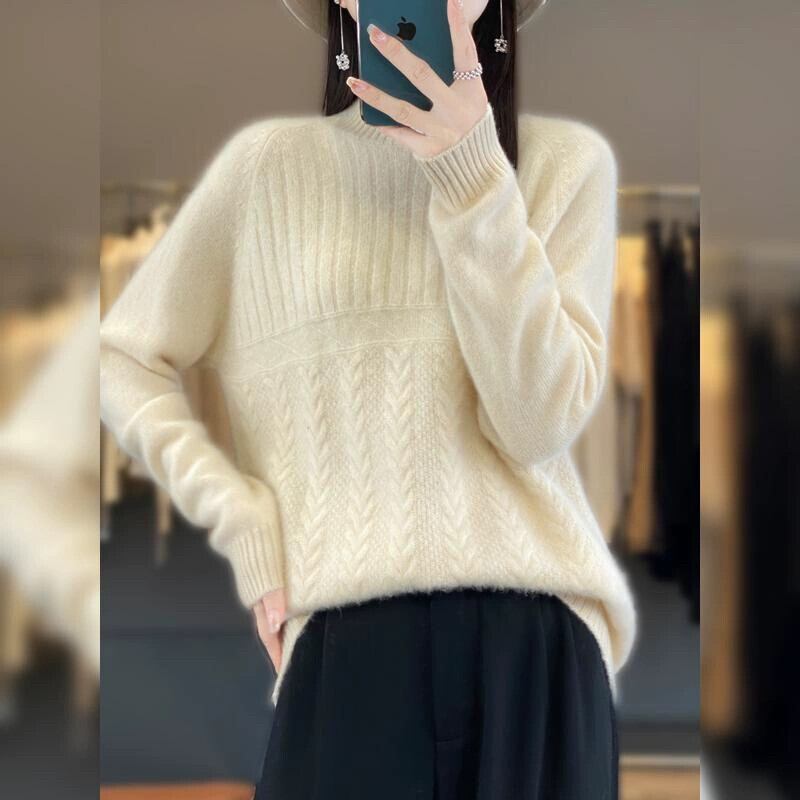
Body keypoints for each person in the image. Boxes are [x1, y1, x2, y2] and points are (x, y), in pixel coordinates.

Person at [98, 0, 638, 796]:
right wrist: (241, 517)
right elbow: (122, 356)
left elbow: (536, 424)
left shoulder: (565, 164)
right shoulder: (267, 169)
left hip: (537, 651)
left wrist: (474, 176)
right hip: (348, 645)